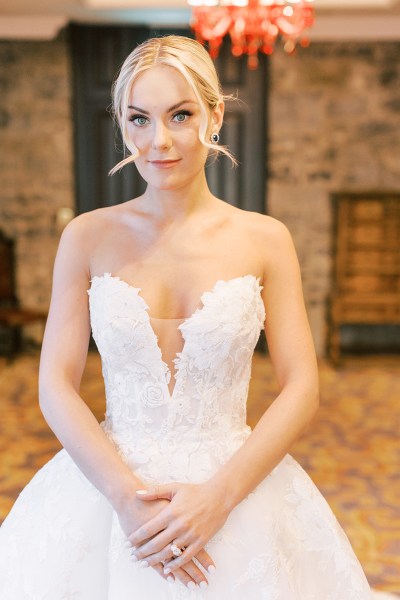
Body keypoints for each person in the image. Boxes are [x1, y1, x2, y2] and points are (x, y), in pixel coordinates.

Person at [0, 35, 376, 599]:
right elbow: (55, 383)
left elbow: (302, 386)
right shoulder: (86, 236)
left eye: (180, 114)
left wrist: (219, 498)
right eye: (139, 119)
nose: (160, 141)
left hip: (234, 484)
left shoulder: (266, 240)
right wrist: (126, 497)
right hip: (108, 489)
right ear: (122, 125)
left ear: (214, 114)